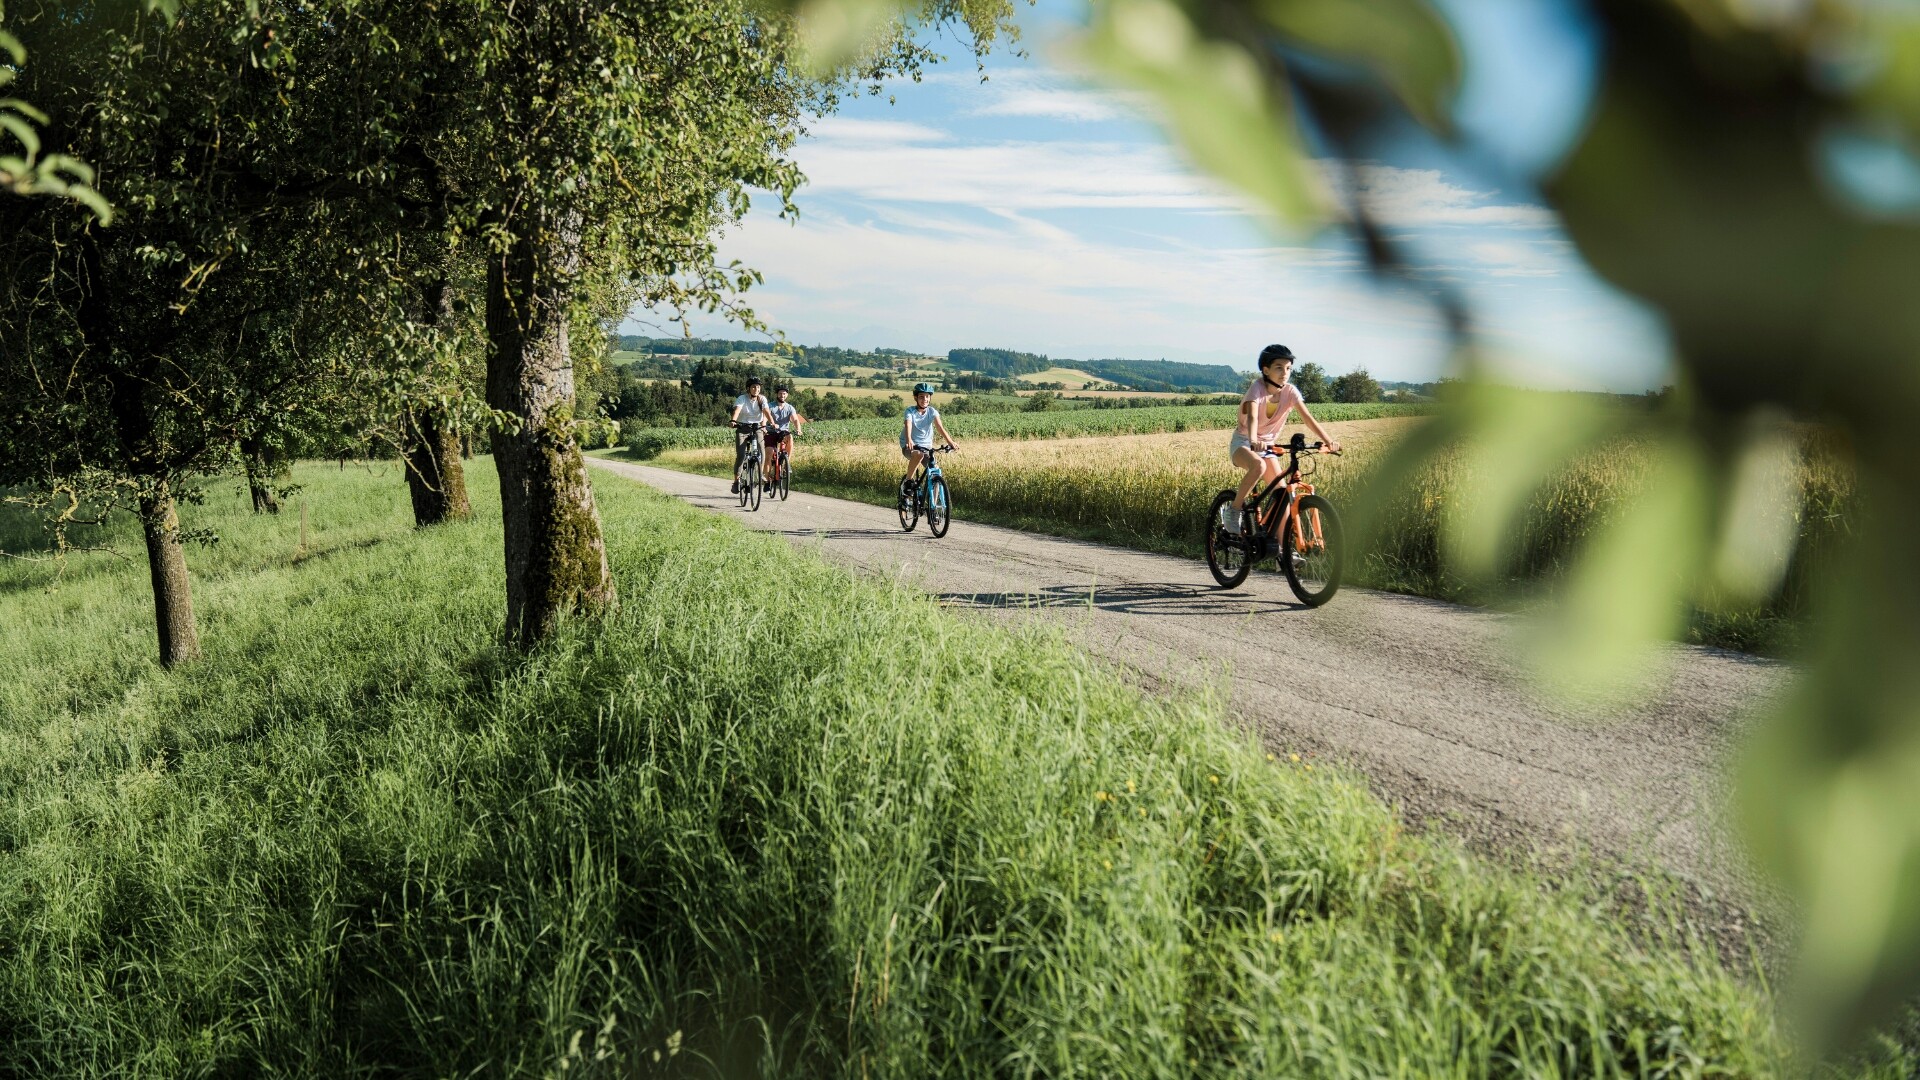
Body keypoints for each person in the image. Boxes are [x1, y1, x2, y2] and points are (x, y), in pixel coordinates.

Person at [1223, 344, 1341, 535]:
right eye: (1279, 367)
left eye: (1288, 368)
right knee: (1258, 466)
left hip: (1268, 446)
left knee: (1282, 497)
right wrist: (1253, 440)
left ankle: (1281, 556)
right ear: (1266, 370)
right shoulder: (1257, 389)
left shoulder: (1290, 392)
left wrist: (1328, 441)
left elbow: (1308, 418)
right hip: (1244, 442)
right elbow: (1252, 416)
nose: (1285, 373)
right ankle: (1234, 510)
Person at [898, 382, 956, 499]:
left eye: (927, 396)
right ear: (916, 398)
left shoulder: (932, 412)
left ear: (930, 398)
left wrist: (951, 443)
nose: (924, 399)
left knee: (936, 471)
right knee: (918, 455)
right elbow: (908, 425)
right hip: (910, 446)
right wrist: (909, 440)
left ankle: (932, 507)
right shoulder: (910, 411)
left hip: (926, 447)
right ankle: (908, 482)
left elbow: (940, 427)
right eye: (921, 396)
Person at [728, 376, 773, 494]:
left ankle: (761, 474)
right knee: (741, 455)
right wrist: (733, 421)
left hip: (756, 427)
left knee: (762, 450)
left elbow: (766, 411)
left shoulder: (762, 399)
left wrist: (772, 423)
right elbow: (737, 410)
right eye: (754, 387)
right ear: (748, 388)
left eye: (758, 387)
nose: (756, 389)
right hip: (742, 428)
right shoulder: (742, 398)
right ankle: (736, 481)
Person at [765, 386, 807, 477]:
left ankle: (786, 464)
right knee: (769, 453)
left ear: (787, 395)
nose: (782, 395)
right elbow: (764, 417)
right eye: (780, 393)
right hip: (771, 432)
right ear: (777, 394)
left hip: (783, 432)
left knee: (790, 437)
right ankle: (767, 479)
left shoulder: (790, 408)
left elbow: (795, 419)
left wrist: (798, 429)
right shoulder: (770, 406)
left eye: (784, 394)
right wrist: (764, 427)